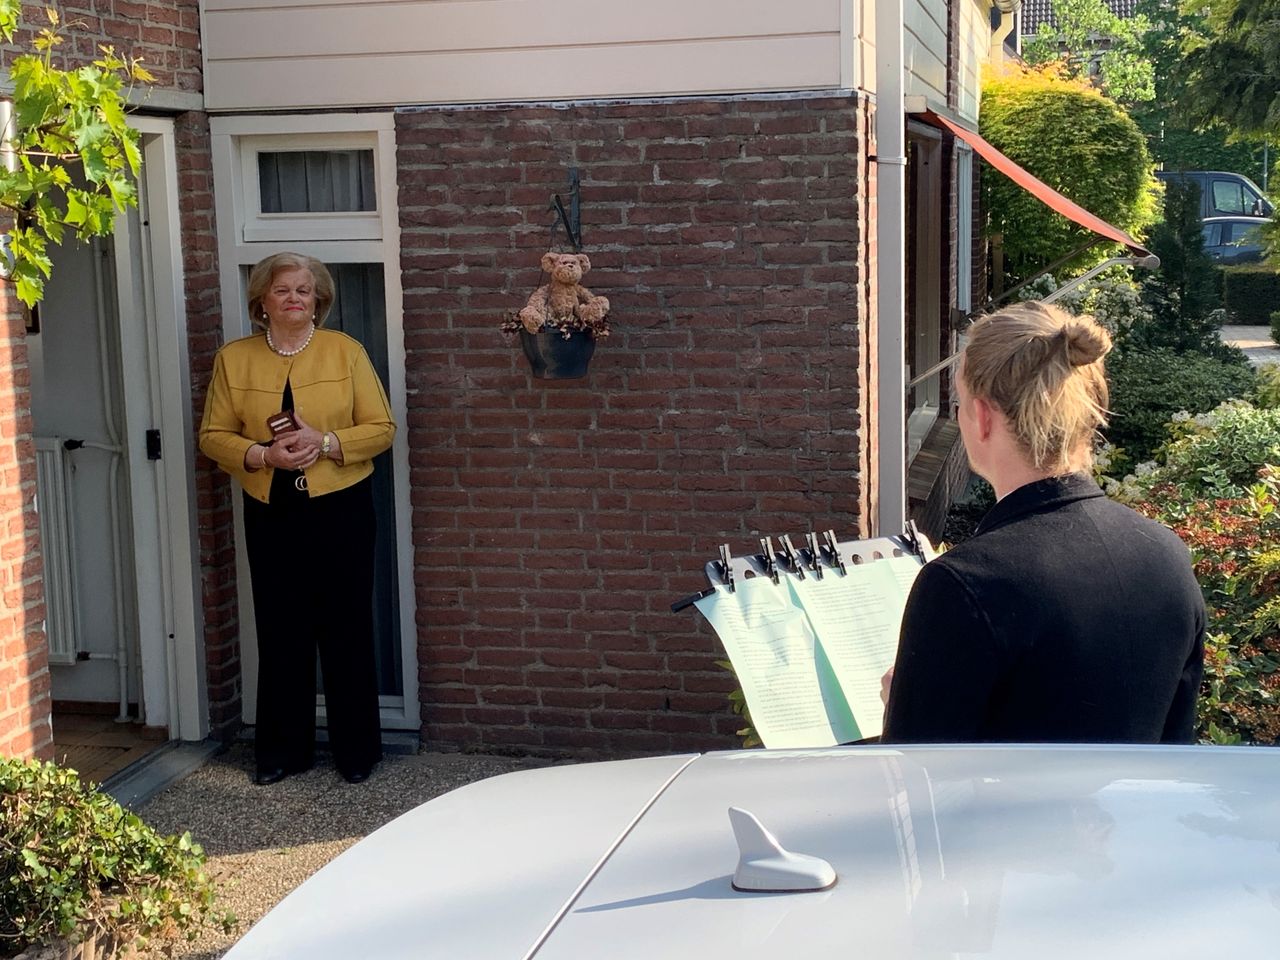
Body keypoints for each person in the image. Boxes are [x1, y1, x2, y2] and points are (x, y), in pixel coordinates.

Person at [881, 301, 1205, 744]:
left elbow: (921, 781)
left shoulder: (963, 584)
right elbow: (1176, 752)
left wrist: (897, 709)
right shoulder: (1166, 553)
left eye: (957, 403)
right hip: (1133, 815)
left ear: (982, 417)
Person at [199, 252, 396, 784]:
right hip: (273, 509)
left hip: (342, 507)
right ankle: (282, 753)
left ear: (319, 301)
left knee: (347, 628)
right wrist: (264, 455)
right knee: (281, 629)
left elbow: (381, 428)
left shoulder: (345, 351)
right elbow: (213, 436)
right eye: (283, 289)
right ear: (262, 300)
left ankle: (357, 754)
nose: (294, 299)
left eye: (304, 291)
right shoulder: (233, 359)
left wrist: (325, 442)